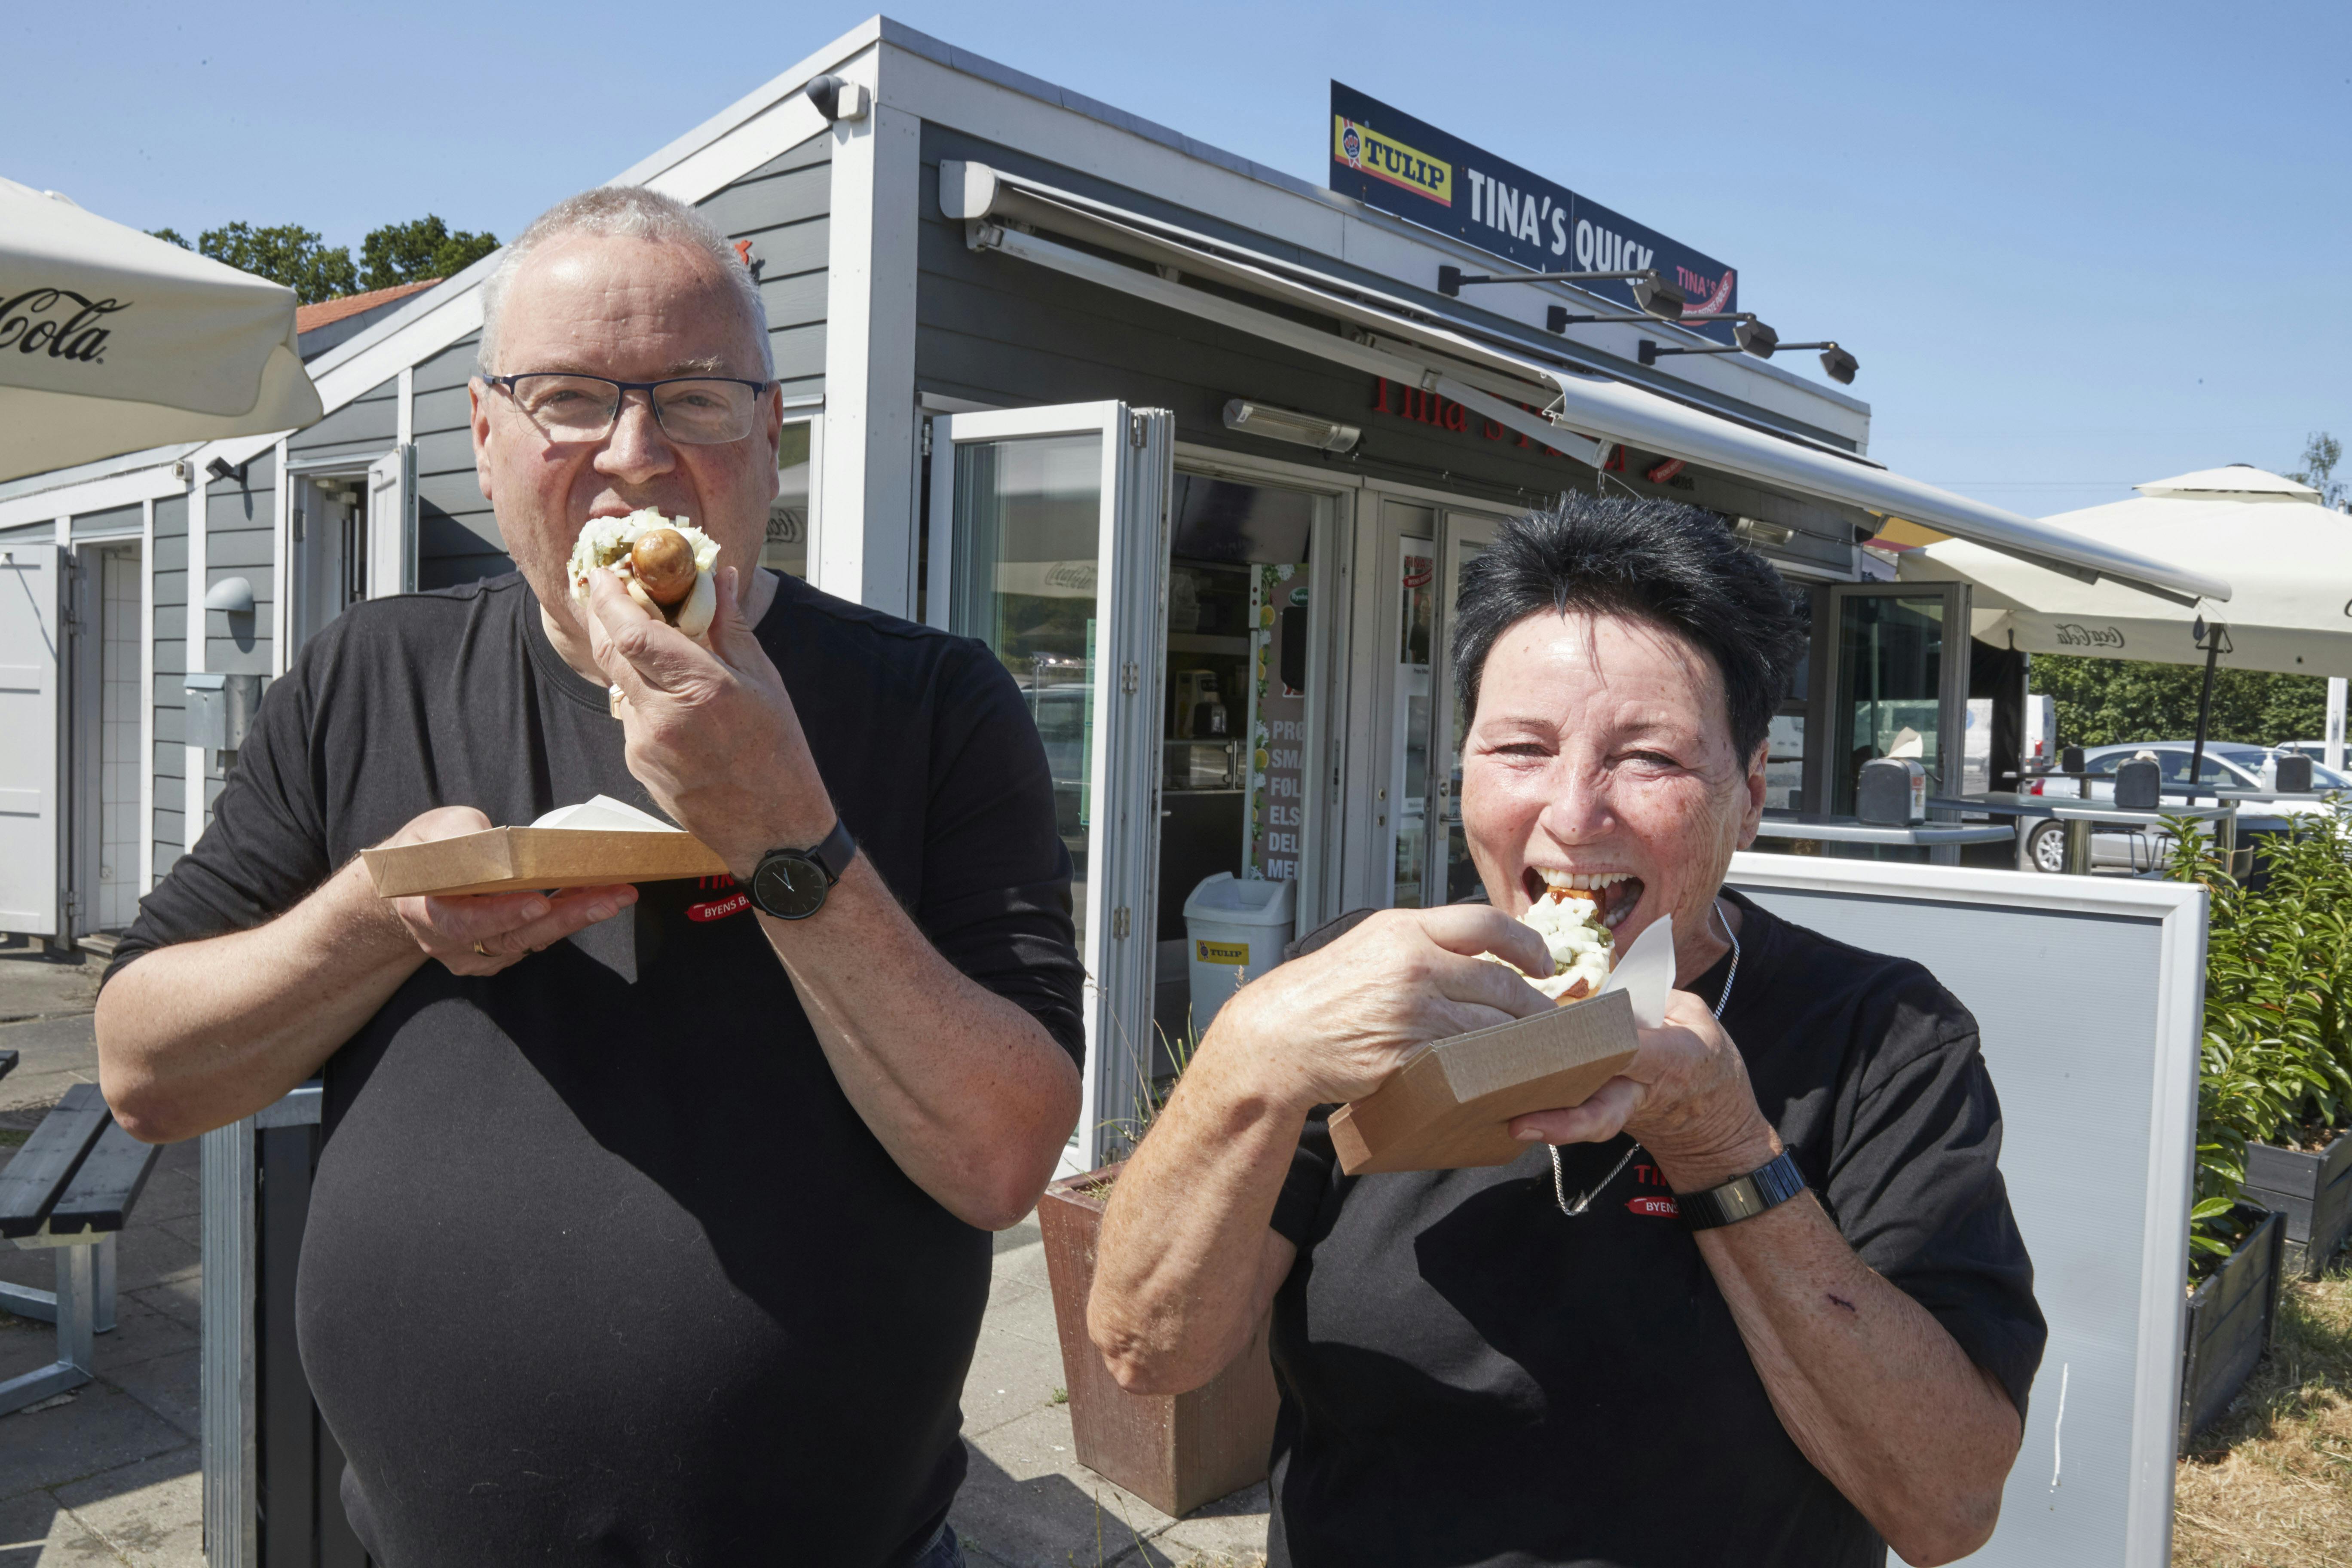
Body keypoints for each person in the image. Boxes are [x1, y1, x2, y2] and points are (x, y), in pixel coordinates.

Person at [93, 187, 1083, 1568]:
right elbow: (148, 1074)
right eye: (568, 398)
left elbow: (1005, 1152)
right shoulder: (370, 676)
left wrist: (784, 827)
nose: (635, 458)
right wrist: (383, 913)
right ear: (486, 437)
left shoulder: (933, 704)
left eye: (695, 397)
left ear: (771, 433)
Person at [1088, 496, 2045, 1568]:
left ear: (1751, 794)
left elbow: (1949, 1507)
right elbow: (1146, 1351)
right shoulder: (1361, 985)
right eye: (1521, 749)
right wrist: (1248, 1052)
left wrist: (1724, 1146)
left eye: (1650, 759)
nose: (1574, 814)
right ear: (1462, 769)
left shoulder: (1883, 1037)